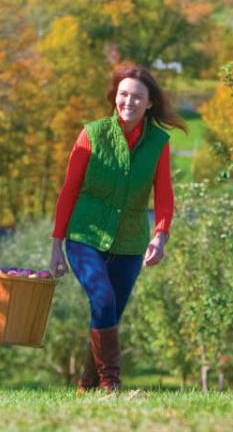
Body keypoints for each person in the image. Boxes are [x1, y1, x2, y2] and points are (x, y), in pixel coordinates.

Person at [49, 64, 184, 391]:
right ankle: (111, 382)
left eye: (137, 96)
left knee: (107, 312)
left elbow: (164, 195)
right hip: (86, 236)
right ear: (115, 97)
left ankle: (86, 385)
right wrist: (57, 245)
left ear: (149, 103)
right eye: (123, 94)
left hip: (129, 241)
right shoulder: (92, 134)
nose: (129, 102)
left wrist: (160, 235)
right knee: (104, 298)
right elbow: (69, 189)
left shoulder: (158, 143)